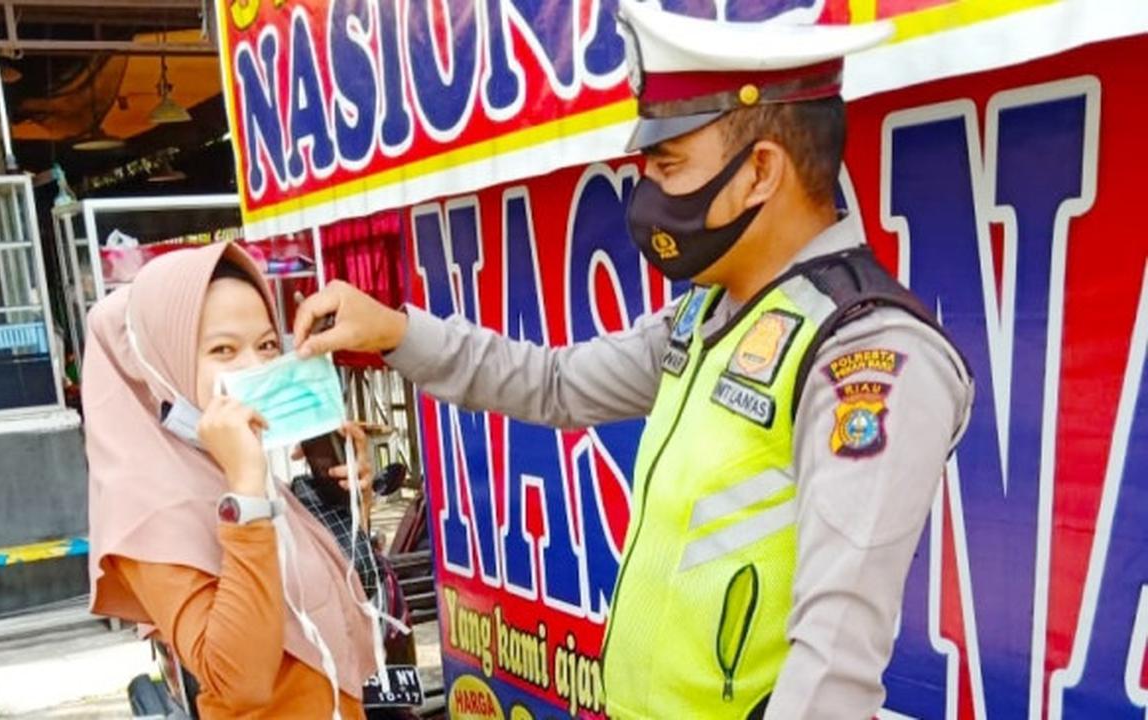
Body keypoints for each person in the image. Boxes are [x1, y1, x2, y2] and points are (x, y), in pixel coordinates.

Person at [289, 3, 974, 719]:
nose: (650, 195)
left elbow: (833, 661)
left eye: (668, 166)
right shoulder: (708, 314)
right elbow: (553, 384)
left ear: (760, 173)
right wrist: (396, 330)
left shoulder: (866, 351)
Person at [82, 242, 380, 718]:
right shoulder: (151, 510)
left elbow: (326, 613)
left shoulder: (228, 465)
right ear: (164, 364)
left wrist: (343, 505)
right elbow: (240, 682)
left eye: (266, 346)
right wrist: (245, 492)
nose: (255, 368)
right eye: (223, 349)